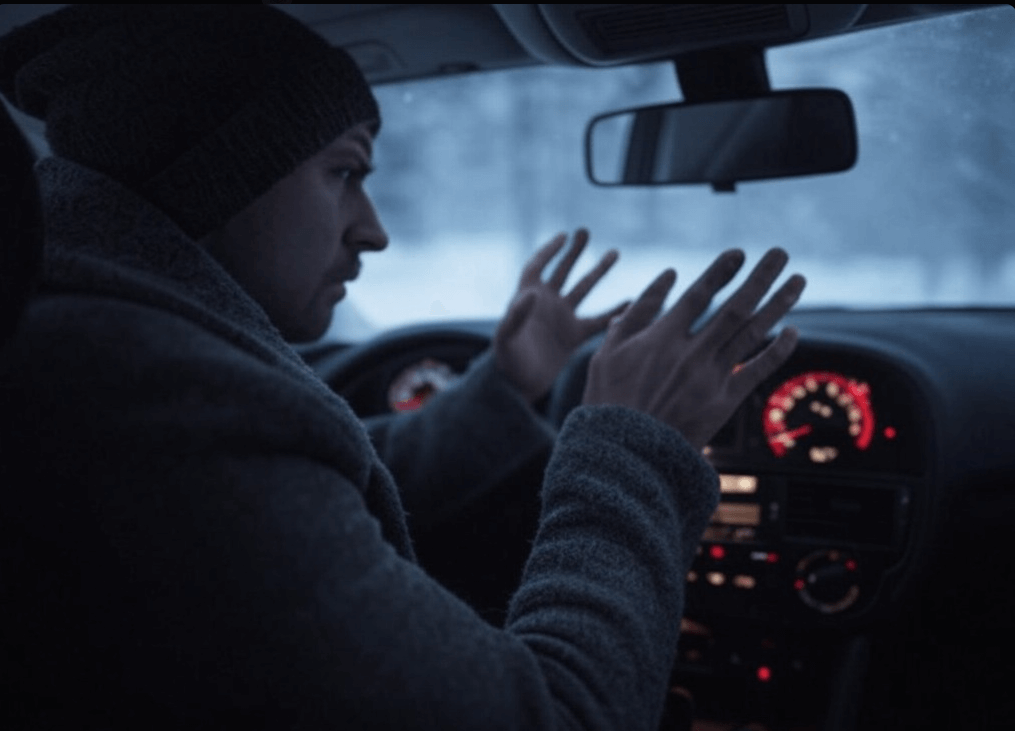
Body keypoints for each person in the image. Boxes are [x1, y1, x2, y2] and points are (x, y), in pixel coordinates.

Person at [0, 5, 805, 730]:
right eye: (345, 172)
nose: (373, 232)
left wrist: (506, 381)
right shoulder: (150, 402)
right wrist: (633, 448)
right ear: (218, 172)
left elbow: (317, 481)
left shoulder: (88, 345)